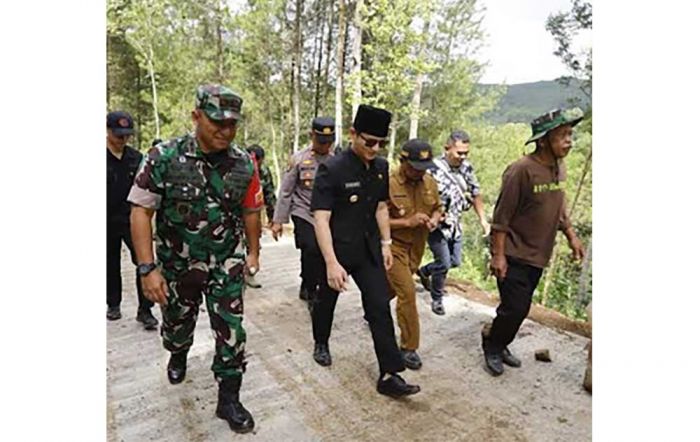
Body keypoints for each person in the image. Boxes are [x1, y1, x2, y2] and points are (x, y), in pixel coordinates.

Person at [127, 84, 262, 433]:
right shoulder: (163, 156)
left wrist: (253, 252)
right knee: (176, 324)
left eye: (232, 124)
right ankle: (178, 351)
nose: (225, 131)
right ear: (196, 116)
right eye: (217, 122)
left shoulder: (244, 163)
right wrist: (147, 268)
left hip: (225, 263)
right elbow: (141, 211)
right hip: (177, 264)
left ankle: (228, 399)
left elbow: (251, 210)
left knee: (232, 332)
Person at [310, 104, 421, 398]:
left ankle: (389, 374)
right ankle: (321, 341)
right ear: (353, 134)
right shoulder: (331, 168)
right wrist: (332, 263)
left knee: (378, 306)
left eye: (380, 143)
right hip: (338, 250)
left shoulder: (381, 168)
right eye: (368, 141)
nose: (374, 148)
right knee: (325, 302)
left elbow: (381, 207)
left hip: (369, 251)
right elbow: (321, 218)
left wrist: (386, 243)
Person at [482, 108, 586, 376]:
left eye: (570, 134)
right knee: (516, 308)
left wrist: (572, 236)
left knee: (517, 308)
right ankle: (492, 344)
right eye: (562, 135)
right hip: (514, 253)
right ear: (543, 140)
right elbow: (501, 218)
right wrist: (498, 256)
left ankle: (500, 340)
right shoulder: (521, 171)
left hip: (539, 255)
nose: (569, 141)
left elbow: (559, 207)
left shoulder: (558, 168)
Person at [417, 130, 490, 316]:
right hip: (436, 225)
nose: (462, 157)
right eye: (459, 153)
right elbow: (420, 194)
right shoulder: (432, 169)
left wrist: (483, 220)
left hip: (455, 225)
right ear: (447, 149)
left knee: (455, 261)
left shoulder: (467, 168)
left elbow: (475, 193)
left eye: (466, 153)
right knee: (444, 262)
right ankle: (437, 298)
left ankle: (425, 271)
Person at [386, 139, 443, 370]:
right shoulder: (388, 184)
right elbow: (374, 221)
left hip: (416, 250)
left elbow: (438, 207)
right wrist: (407, 222)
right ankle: (409, 348)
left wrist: (435, 220)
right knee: (408, 293)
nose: (420, 173)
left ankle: (374, 309)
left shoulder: (429, 182)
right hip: (393, 247)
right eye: (416, 168)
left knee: (389, 291)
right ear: (403, 162)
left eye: (424, 168)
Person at [271, 117, 335, 302]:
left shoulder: (336, 161)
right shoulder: (299, 159)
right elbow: (286, 190)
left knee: (323, 250)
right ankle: (309, 286)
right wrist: (278, 221)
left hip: (327, 214)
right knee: (311, 246)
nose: (325, 146)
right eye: (321, 141)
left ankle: (313, 282)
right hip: (303, 210)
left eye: (329, 142)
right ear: (312, 136)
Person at [106, 110, 158, 330]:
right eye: (119, 135)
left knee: (143, 262)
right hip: (105, 221)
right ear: (107, 131)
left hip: (131, 220)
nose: (123, 140)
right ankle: (113, 304)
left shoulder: (136, 159)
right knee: (109, 264)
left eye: (127, 135)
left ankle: (145, 310)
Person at [245, 144, 276, 289]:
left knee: (253, 243)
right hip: (233, 215)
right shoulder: (239, 167)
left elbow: (269, 194)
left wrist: (273, 218)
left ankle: (249, 273)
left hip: (253, 215)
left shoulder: (263, 172)